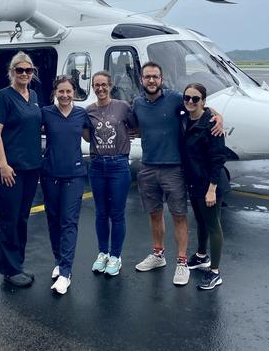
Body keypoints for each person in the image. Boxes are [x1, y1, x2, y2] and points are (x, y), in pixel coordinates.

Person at [132, 61, 222, 286]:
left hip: (173, 168)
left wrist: (216, 115)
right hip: (148, 167)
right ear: (141, 80)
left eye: (155, 76)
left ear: (161, 79)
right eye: (147, 77)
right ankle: (158, 255)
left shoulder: (174, 99)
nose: (151, 80)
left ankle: (181, 262)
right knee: (154, 213)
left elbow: (198, 106)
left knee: (179, 216)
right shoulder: (137, 104)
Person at [0, 52, 42, 288]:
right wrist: (3, 165)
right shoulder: (4, 97)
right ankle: (10, 269)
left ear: (33, 73)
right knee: (10, 218)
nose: (24, 74)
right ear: (12, 72)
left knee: (22, 217)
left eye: (28, 70)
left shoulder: (33, 96)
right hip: (10, 168)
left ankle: (17, 264)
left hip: (31, 167)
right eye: (19, 70)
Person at [84, 71, 136, 276]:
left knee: (117, 213)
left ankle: (116, 256)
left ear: (111, 85)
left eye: (104, 85)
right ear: (92, 88)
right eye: (96, 85)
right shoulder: (88, 111)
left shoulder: (122, 107)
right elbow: (88, 137)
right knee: (101, 213)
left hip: (118, 164)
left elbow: (135, 126)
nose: (100, 88)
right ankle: (102, 253)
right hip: (97, 165)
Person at [41, 75, 90, 294]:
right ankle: (60, 260)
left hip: (74, 175)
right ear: (55, 93)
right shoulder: (46, 113)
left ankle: (65, 272)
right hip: (50, 173)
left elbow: (92, 136)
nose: (65, 95)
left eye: (69, 91)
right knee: (53, 220)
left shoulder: (81, 114)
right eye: (61, 91)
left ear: (74, 93)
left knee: (69, 222)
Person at [181, 83, 230, 290]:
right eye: (187, 98)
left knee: (213, 224)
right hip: (194, 181)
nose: (190, 101)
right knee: (200, 220)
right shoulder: (185, 119)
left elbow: (218, 158)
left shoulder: (211, 124)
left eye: (195, 99)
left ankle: (215, 272)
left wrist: (212, 189)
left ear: (203, 101)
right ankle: (201, 256)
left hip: (211, 183)